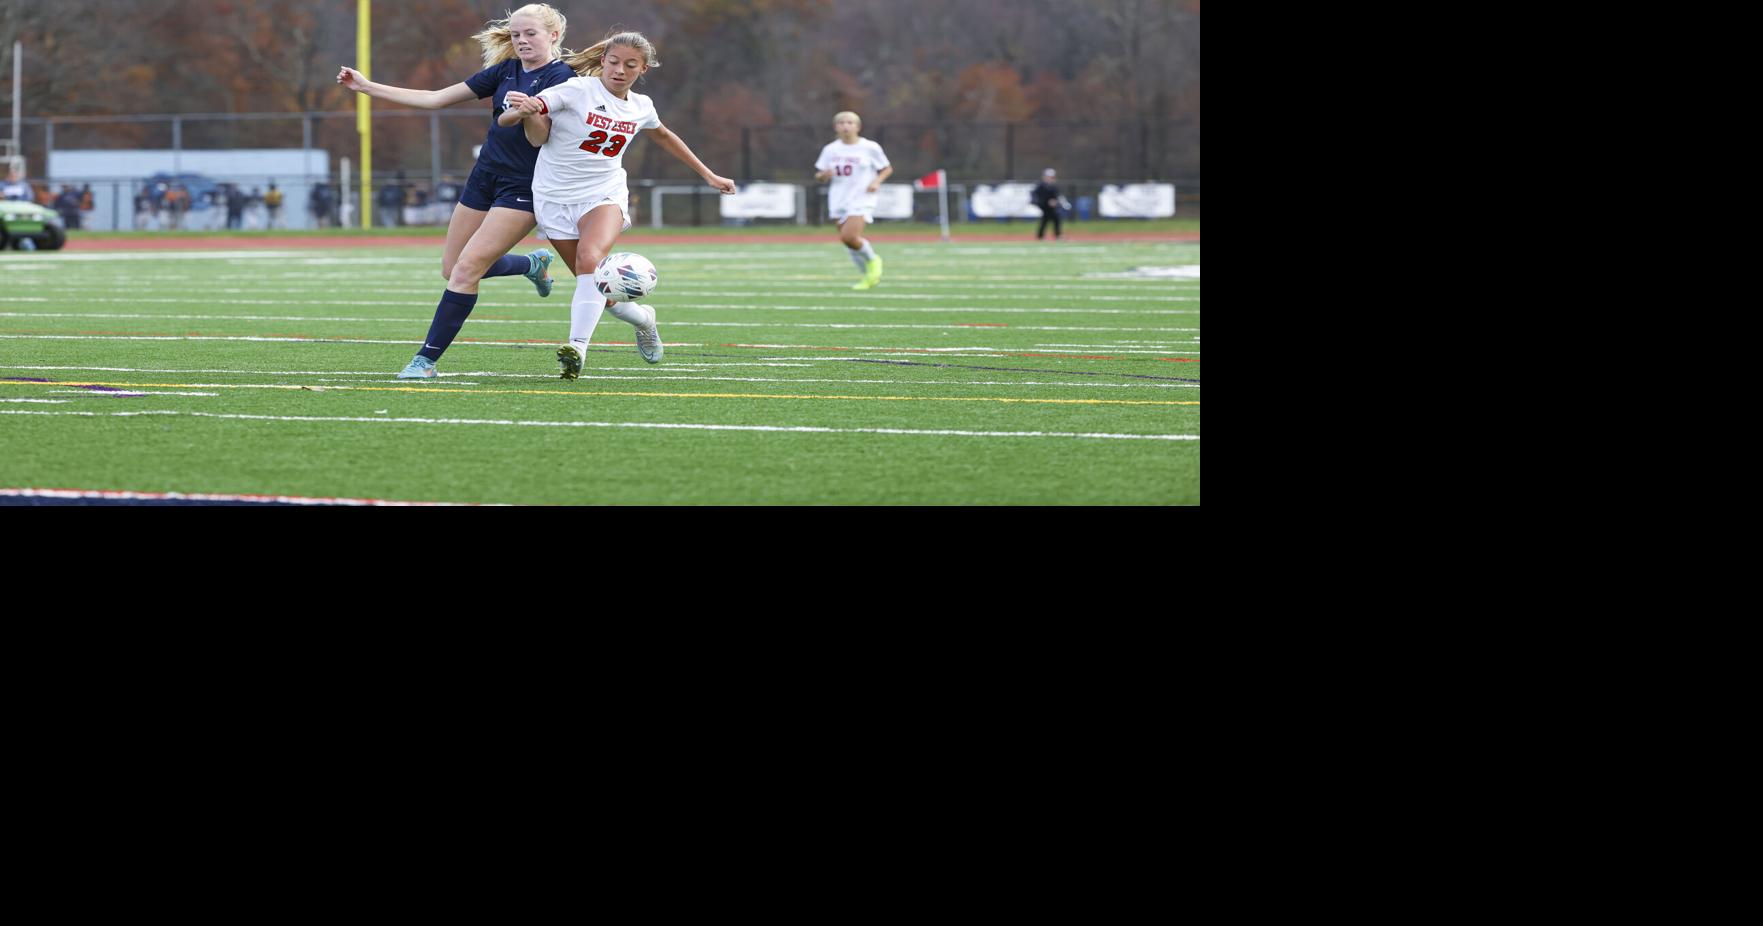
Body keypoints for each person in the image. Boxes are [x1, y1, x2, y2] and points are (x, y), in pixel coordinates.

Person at [338, 3, 577, 380]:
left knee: (467, 269)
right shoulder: (506, 70)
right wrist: (366, 87)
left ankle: (425, 361)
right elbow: (435, 98)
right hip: (484, 177)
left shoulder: (564, 76)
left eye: (530, 33)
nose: (522, 41)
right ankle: (531, 264)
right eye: (516, 35)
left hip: (525, 186)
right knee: (452, 268)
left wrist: (531, 112)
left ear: (553, 35)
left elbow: (540, 139)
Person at [501, 30, 735, 379]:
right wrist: (521, 110)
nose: (620, 70)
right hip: (554, 198)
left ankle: (576, 348)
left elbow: (664, 136)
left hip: (603, 194)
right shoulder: (576, 90)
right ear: (602, 61)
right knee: (599, 287)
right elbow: (513, 122)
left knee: (590, 260)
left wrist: (708, 174)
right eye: (613, 62)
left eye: (630, 65)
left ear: (643, 70)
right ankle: (644, 319)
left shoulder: (642, 107)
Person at [813, 112, 891, 289]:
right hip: (839, 199)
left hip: (862, 198)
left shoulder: (869, 147)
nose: (846, 126)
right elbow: (819, 175)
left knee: (849, 236)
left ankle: (873, 261)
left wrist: (876, 181)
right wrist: (823, 175)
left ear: (858, 126)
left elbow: (886, 168)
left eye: (850, 122)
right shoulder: (830, 149)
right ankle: (868, 276)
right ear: (836, 127)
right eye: (841, 123)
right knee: (848, 242)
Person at [1032, 168, 1064, 241]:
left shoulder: (1053, 186)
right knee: (1046, 220)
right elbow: (1035, 195)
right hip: (1044, 206)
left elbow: (1056, 196)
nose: (1050, 178)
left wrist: (1055, 202)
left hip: (1052, 207)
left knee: (1055, 218)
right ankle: (1041, 236)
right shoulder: (1041, 186)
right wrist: (1040, 202)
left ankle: (1057, 235)